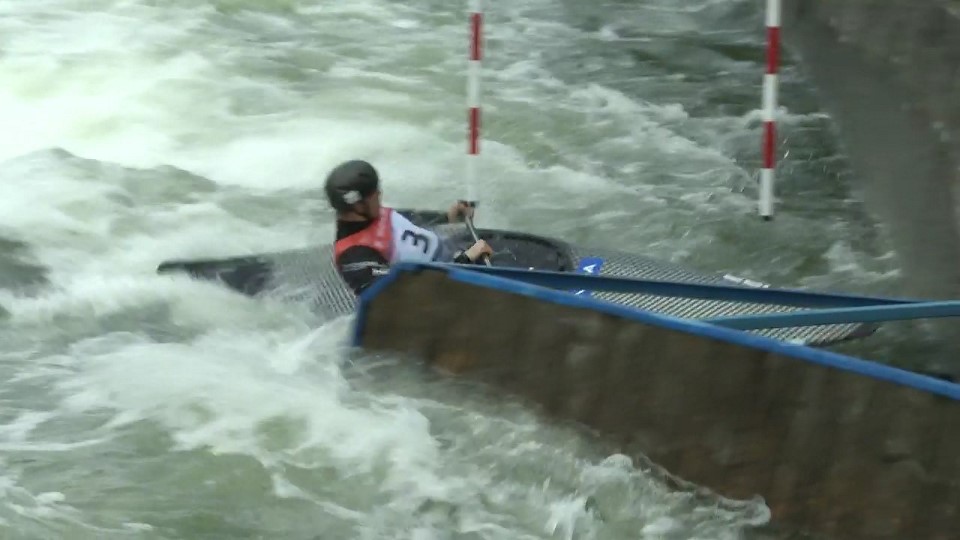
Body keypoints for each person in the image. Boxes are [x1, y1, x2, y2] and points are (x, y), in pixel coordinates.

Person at [325, 159, 494, 294]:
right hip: (449, 287)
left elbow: (411, 223)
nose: (380, 194)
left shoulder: (373, 214)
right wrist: (465, 260)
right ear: (358, 206)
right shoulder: (354, 256)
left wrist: (448, 217)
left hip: (456, 264)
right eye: (374, 193)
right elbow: (403, 295)